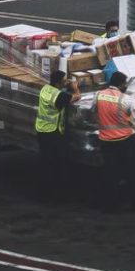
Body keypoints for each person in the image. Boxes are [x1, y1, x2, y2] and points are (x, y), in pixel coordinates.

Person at [94, 71, 135, 211]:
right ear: (122, 84)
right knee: (132, 173)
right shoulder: (126, 99)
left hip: (106, 142)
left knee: (111, 175)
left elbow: (94, 111)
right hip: (125, 141)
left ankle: (111, 205)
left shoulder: (98, 95)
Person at [35, 68, 81, 199]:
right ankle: (55, 193)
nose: (66, 83)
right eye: (64, 81)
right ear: (57, 83)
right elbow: (77, 97)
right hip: (53, 133)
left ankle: (45, 191)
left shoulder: (45, 89)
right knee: (57, 162)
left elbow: (61, 93)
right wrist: (75, 87)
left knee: (45, 162)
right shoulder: (59, 96)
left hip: (41, 129)